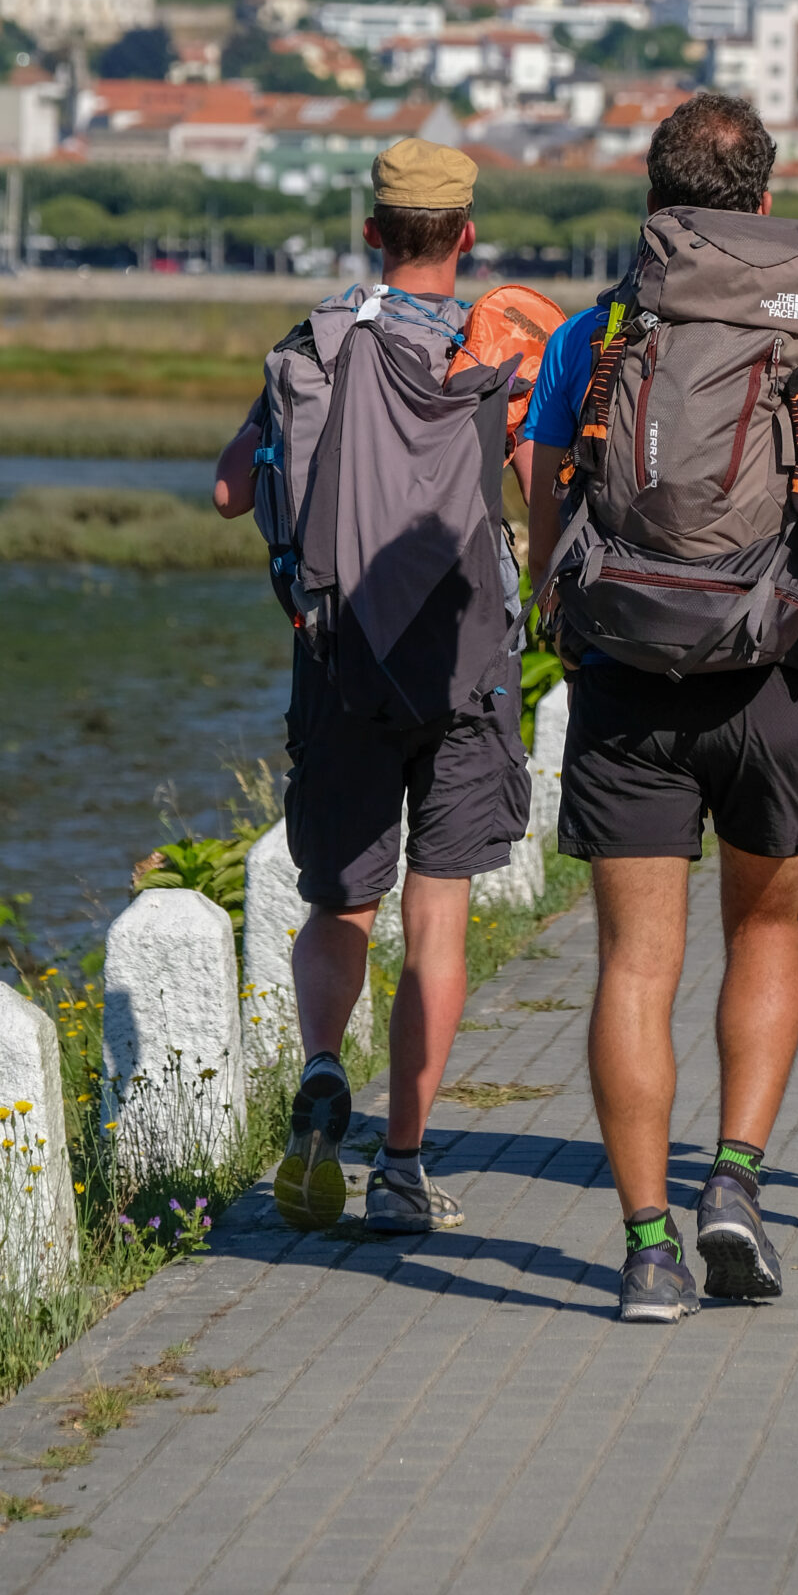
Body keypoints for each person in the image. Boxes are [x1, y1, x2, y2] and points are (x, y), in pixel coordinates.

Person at [518, 92, 798, 1321]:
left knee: (636, 962)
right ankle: (735, 1186)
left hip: (629, 673)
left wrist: (563, 622)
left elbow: (541, 497)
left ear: (655, 199)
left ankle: (647, 1252)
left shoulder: (594, 334)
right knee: (767, 933)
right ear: (761, 201)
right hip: (774, 678)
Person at [215, 137, 530, 1237]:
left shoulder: (316, 340)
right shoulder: (497, 353)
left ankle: (317, 1067)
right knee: (437, 921)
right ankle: (401, 1161)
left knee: (341, 899)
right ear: (466, 236)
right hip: (466, 672)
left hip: (337, 655)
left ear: (373, 231)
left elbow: (224, 488)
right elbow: (539, 490)